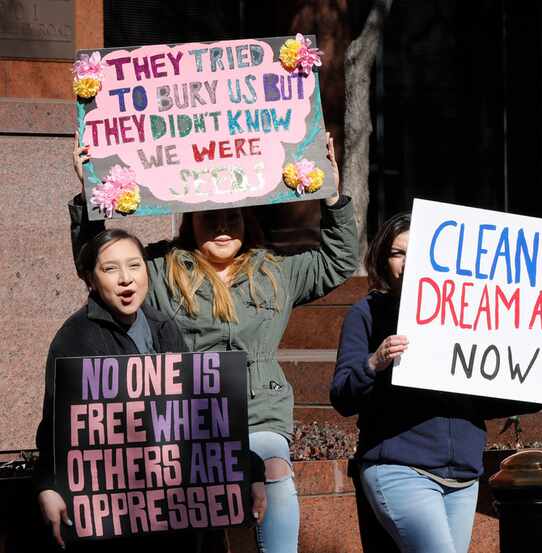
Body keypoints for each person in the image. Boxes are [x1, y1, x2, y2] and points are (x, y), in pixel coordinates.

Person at [71, 134, 358, 553]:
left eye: (232, 218)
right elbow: (99, 265)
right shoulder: (163, 270)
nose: (223, 228)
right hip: (189, 415)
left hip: (260, 411)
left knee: (274, 468)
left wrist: (331, 194)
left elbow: (339, 259)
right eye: (211, 218)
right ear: (191, 221)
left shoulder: (277, 271)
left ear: (246, 222)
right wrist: (88, 196)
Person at [330, 212, 542, 553]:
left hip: (462, 478)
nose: (407, 263)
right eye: (397, 253)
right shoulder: (367, 313)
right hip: (401, 470)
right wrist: (374, 363)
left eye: (416, 252)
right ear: (382, 259)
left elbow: (484, 398)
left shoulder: (467, 311)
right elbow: (342, 397)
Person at [34, 228, 268, 551]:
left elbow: (200, 417)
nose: (126, 279)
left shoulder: (163, 325)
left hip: (171, 508)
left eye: (134, 265)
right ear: (90, 278)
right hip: (116, 519)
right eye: (110, 269)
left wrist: (252, 470)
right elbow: (56, 428)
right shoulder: (75, 338)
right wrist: (48, 486)